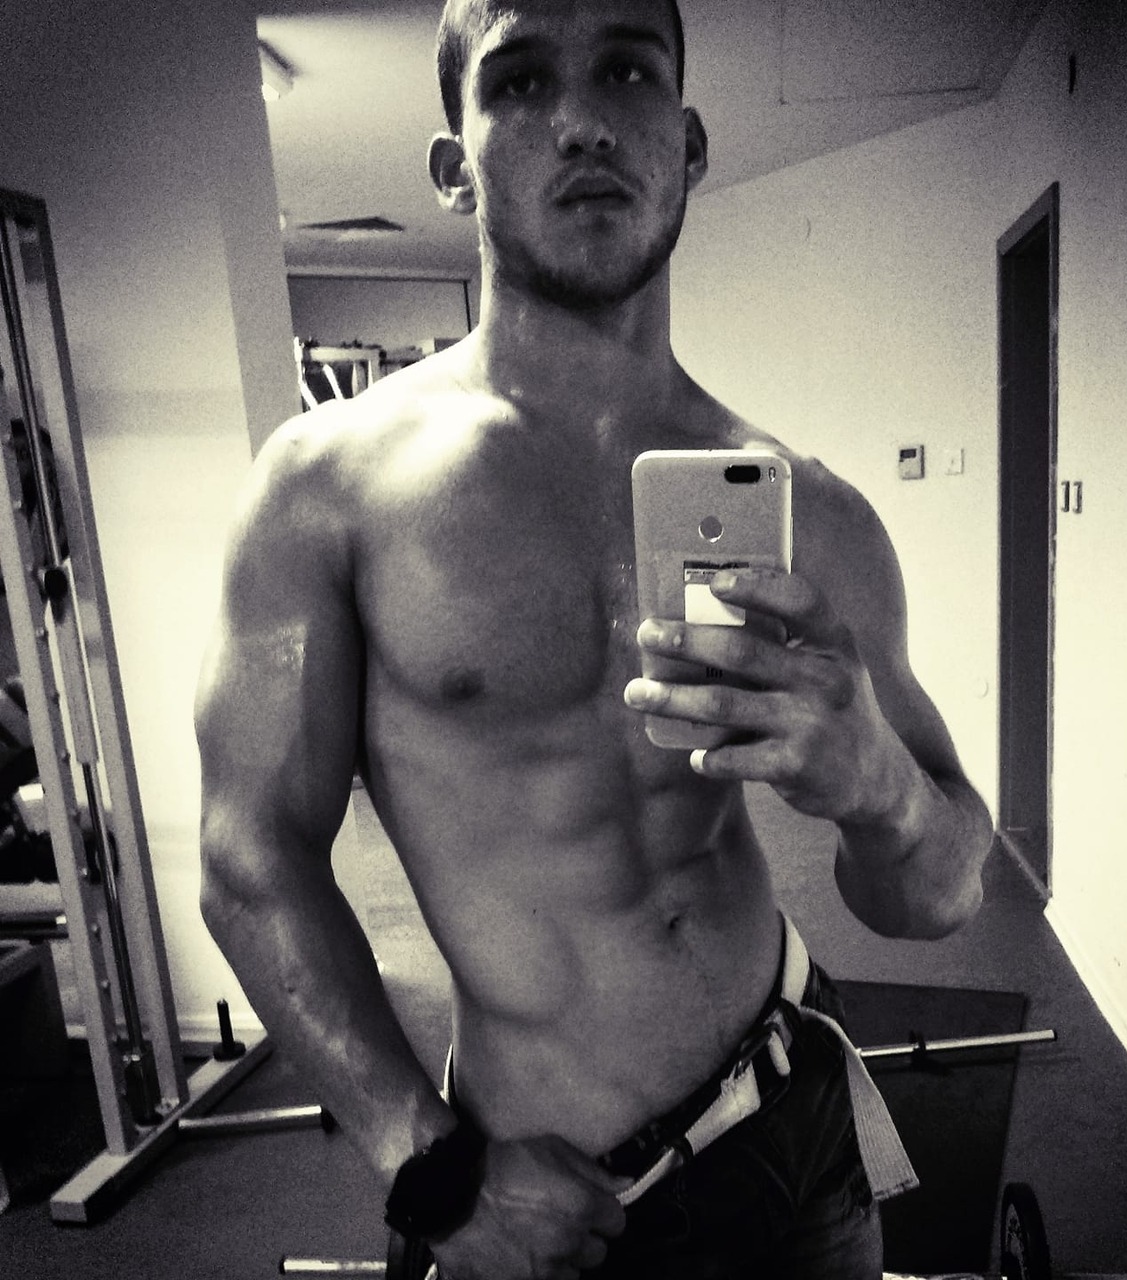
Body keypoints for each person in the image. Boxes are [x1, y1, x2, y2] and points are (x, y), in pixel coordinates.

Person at [194, 0, 994, 1276]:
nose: (579, 120)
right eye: (518, 81)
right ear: (453, 167)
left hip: (792, 1117)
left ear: (688, 143)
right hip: (545, 1191)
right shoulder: (325, 491)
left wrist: (882, 788)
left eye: (625, 69)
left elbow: (940, 894)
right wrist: (428, 1169)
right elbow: (250, 855)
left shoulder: (810, 510)